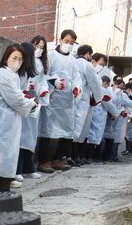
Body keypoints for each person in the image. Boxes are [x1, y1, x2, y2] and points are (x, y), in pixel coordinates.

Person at [0, 43, 38, 190]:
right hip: (1, 121)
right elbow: (15, 98)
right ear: (6, 58)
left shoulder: (12, 74)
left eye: (20, 59)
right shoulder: (3, 74)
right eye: (14, 58)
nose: (17, 62)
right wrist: (31, 103)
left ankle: (3, 181)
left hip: (10, 121)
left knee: (7, 153)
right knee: (0, 154)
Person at [37, 29, 81, 173]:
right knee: (48, 132)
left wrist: (76, 88)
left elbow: (77, 78)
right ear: (60, 40)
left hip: (66, 102)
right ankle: (44, 161)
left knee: (66, 132)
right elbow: (44, 75)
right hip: (52, 100)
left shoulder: (73, 61)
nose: (69, 44)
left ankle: (58, 159)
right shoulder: (50, 56)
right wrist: (53, 81)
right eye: (67, 41)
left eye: (72, 43)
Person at [16, 37, 50, 180]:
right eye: (37, 46)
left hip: (33, 101)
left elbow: (42, 81)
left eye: (42, 48)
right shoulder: (20, 68)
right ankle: (18, 169)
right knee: (20, 137)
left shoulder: (40, 66)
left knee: (30, 137)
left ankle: (28, 167)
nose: (39, 50)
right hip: (23, 104)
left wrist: (43, 91)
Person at [71, 46, 103, 165]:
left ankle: (73, 155)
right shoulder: (86, 64)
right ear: (88, 54)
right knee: (80, 129)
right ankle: (75, 155)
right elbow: (94, 83)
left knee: (73, 127)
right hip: (83, 99)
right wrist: (98, 98)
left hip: (73, 98)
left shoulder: (72, 61)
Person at [86, 76, 118, 161]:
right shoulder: (102, 90)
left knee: (89, 136)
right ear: (104, 83)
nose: (107, 86)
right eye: (106, 84)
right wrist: (115, 114)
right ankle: (90, 157)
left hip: (91, 114)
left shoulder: (91, 88)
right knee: (94, 137)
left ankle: (87, 156)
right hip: (98, 117)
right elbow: (109, 105)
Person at [109, 79, 132, 162]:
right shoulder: (110, 92)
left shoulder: (121, 94)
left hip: (116, 116)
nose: (122, 87)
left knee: (115, 135)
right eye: (121, 85)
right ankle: (110, 155)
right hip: (112, 116)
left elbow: (128, 103)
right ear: (115, 84)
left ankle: (113, 156)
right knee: (111, 135)